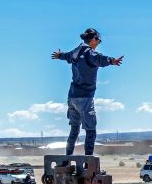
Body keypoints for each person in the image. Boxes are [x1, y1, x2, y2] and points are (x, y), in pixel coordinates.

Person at [51, 28, 124, 156]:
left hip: (72, 97)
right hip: (84, 98)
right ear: (93, 39)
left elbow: (66, 56)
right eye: (98, 41)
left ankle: (67, 159)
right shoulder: (90, 53)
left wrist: (59, 55)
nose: (98, 44)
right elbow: (100, 59)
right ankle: (88, 162)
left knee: (74, 130)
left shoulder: (76, 52)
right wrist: (112, 61)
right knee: (91, 131)